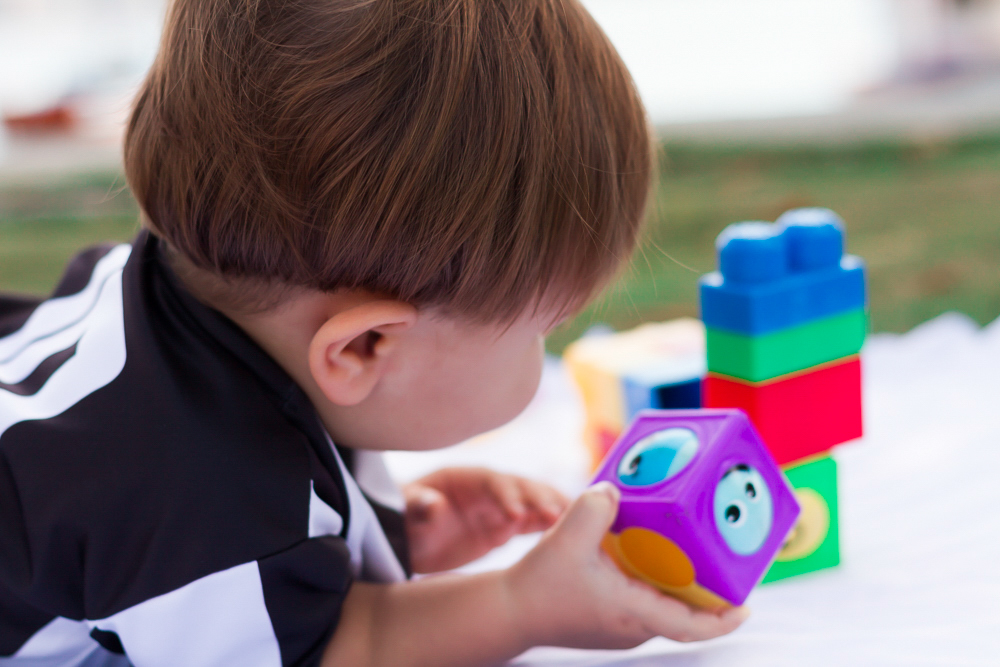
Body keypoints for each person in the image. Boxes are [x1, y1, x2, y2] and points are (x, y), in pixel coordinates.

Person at [0, 0, 748, 665]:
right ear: (361, 346)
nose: (544, 356)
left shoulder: (164, 293)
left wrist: (373, 538)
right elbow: (330, 648)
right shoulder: (198, 505)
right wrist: (523, 605)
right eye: (541, 330)